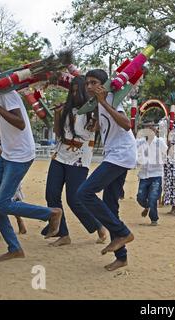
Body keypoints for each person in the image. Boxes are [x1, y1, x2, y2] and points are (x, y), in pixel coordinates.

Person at [0, 60, 63, 262]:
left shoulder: (8, 95)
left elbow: (20, 123)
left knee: (2, 203)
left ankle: (50, 213)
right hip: (9, 154)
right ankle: (14, 248)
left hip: (20, 155)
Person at [77, 69, 136, 272]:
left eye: (94, 83)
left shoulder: (112, 99)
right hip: (116, 155)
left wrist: (103, 103)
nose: (90, 86)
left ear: (104, 85)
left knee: (84, 193)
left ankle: (123, 232)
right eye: (87, 83)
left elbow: (127, 125)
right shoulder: (99, 104)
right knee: (110, 205)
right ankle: (122, 257)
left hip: (121, 155)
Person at [41, 76, 108, 247]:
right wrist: (57, 114)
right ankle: (63, 234)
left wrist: (99, 106)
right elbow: (58, 132)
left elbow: (97, 127)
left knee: (74, 198)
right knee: (51, 194)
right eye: (73, 90)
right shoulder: (67, 109)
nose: (75, 93)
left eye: (79, 89)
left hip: (79, 158)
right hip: (60, 154)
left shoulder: (93, 110)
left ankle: (98, 226)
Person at [136, 121, 168, 226]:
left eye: (151, 127)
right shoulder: (139, 142)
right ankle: (147, 206)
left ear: (155, 129)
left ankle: (154, 219)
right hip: (144, 175)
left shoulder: (160, 141)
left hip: (156, 175)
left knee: (153, 197)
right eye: (147, 128)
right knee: (140, 198)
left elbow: (166, 151)